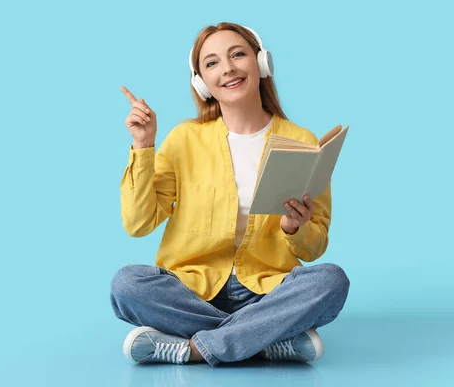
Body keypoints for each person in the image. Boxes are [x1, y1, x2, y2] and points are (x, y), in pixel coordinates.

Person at [110, 22, 350, 366]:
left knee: (331, 281)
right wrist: (143, 145)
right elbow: (138, 223)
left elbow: (316, 248)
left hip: (268, 292)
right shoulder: (183, 139)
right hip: (191, 291)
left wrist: (294, 229)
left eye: (238, 54)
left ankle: (193, 349)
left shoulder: (303, 141)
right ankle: (266, 340)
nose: (228, 68)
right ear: (201, 82)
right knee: (127, 285)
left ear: (261, 63)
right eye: (212, 63)